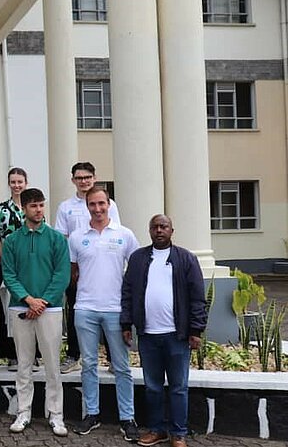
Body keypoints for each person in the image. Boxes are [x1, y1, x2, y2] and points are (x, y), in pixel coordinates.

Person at [121, 215, 207, 447]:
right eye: (155, 227)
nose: (159, 230)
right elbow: (128, 292)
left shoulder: (186, 259)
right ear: (149, 231)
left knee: (178, 387)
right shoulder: (138, 258)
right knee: (153, 387)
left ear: (171, 230)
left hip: (176, 335)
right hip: (148, 335)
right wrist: (126, 324)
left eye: (163, 227)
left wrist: (196, 329)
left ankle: (179, 433)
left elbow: (198, 297)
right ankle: (157, 430)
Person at [67, 187, 139, 441]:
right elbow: (73, 273)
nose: (97, 209)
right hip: (85, 309)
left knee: (121, 366)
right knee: (88, 365)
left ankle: (127, 417)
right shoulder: (76, 237)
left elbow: (137, 269)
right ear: (87, 206)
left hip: (115, 310)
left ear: (109, 204)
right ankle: (92, 414)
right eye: (92, 205)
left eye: (101, 204)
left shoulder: (125, 235)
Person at [2, 188, 70, 437]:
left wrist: (42, 302)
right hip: (21, 307)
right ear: (24, 209)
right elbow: (9, 274)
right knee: (23, 364)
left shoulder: (56, 239)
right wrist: (28, 300)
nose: (39, 210)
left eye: (41, 205)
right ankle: (23, 412)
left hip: (49, 310)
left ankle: (56, 414)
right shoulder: (11, 241)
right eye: (33, 206)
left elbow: (62, 275)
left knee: (52, 365)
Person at [54, 162, 120, 374]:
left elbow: (115, 233)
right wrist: (71, 268)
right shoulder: (66, 207)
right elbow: (62, 239)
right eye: (79, 178)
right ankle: (74, 355)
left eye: (87, 177)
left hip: (105, 269)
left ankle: (113, 358)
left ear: (94, 177)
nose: (84, 181)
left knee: (110, 314)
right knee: (75, 312)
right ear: (73, 180)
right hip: (77, 270)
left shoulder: (110, 204)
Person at [0, 167, 28, 366]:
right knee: (9, 309)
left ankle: (31, 354)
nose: (17, 185)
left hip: (29, 265)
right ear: (9, 184)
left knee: (30, 306)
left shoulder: (33, 206)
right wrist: (5, 258)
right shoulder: (1, 209)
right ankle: (12, 354)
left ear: (26, 182)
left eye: (20, 181)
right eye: (13, 182)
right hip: (8, 264)